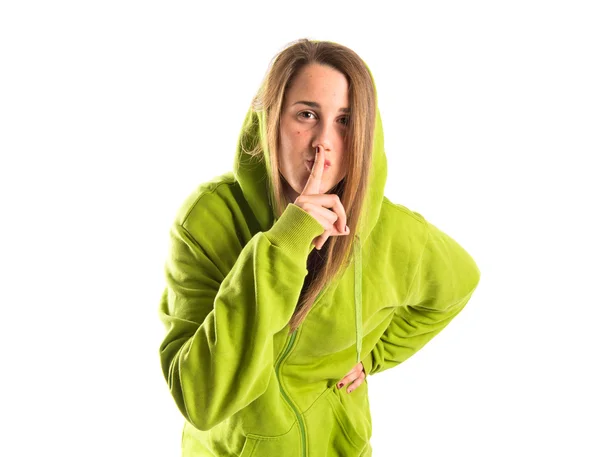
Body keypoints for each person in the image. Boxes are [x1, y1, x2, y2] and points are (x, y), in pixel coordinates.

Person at [158, 38, 480, 457]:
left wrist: (374, 354)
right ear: (269, 119)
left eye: (345, 120)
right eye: (307, 115)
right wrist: (286, 242)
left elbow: (460, 281)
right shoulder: (208, 217)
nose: (324, 141)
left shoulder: (391, 231)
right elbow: (201, 399)